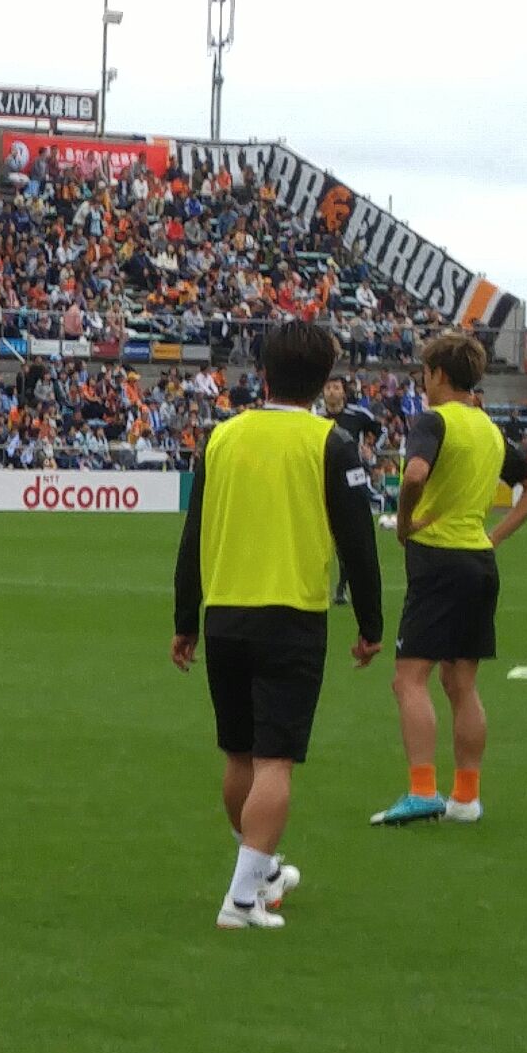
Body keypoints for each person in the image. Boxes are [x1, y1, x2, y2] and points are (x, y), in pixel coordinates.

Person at [172, 322, 383, 930]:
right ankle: (240, 900)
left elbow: (193, 534)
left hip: (225, 614)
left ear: (262, 372)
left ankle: (259, 873)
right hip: (291, 615)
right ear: (324, 381)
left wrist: (185, 619)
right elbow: (358, 541)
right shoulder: (330, 443)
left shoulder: (222, 436)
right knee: (275, 762)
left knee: (239, 755)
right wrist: (370, 623)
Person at [371, 332, 527, 827]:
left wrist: (404, 524)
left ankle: (422, 790)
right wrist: (494, 537)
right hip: (478, 561)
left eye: (425, 374)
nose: (422, 383)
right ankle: (466, 797)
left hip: (438, 560)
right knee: (461, 683)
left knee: (409, 679)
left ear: (439, 375)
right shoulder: (488, 429)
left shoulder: (434, 420)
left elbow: (414, 475)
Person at [319, 375, 381, 607]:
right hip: (324, 478)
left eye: (336, 387)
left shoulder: (357, 415)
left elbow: (379, 429)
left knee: (351, 536)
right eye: (328, 387)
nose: (331, 391)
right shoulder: (316, 418)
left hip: (352, 479)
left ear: (343, 392)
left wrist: (370, 447)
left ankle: (343, 586)